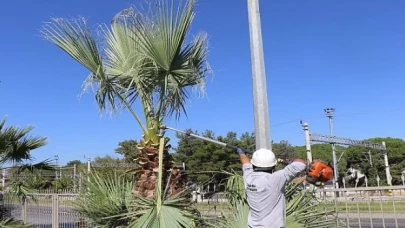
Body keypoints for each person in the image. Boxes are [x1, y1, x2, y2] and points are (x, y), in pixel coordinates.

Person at [237, 147, 307, 228]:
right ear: (273, 165)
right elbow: (301, 164)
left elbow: (245, 162)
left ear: (253, 164)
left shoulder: (248, 177)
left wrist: (240, 152)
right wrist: (289, 162)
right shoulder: (276, 179)